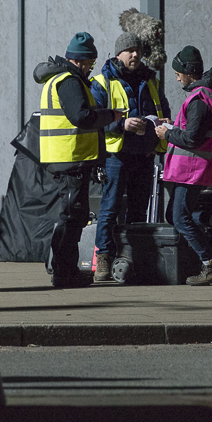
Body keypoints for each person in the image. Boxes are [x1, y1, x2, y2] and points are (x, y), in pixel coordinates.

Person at [34, 32, 123, 288]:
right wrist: (110, 115)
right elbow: (81, 117)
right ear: (79, 61)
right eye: (90, 64)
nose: (91, 68)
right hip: (69, 158)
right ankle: (64, 273)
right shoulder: (69, 81)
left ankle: (66, 270)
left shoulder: (62, 79)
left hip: (68, 158)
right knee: (72, 217)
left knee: (74, 216)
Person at [89, 32, 170, 281]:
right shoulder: (102, 82)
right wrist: (121, 125)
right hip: (117, 156)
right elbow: (94, 120)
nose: (135, 54)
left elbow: (164, 112)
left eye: (138, 50)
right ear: (118, 54)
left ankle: (132, 259)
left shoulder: (151, 81)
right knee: (110, 207)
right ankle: (103, 258)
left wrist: (161, 122)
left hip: (145, 155)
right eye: (129, 50)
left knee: (138, 210)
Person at [155, 46, 212, 286]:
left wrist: (167, 134)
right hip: (193, 168)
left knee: (180, 217)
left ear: (189, 72)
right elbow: (192, 131)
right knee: (174, 215)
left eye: (178, 73)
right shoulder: (207, 94)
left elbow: (192, 139)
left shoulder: (199, 98)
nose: (176, 77)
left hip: (191, 170)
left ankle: (211, 265)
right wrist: (173, 127)